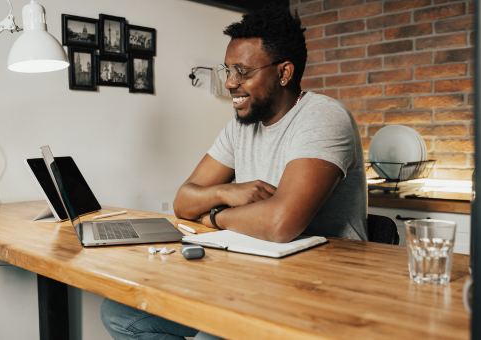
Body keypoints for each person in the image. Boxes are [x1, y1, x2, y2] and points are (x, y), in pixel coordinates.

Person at [101, 4, 367, 340]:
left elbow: (279, 223)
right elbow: (184, 200)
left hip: (322, 290)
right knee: (120, 313)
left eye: (242, 72)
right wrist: (225, 193)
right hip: (253, 278)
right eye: (227, 70)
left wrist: (213, 218)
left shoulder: (323, 118)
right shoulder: (240, 127)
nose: (229, 83)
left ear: (284, 73)